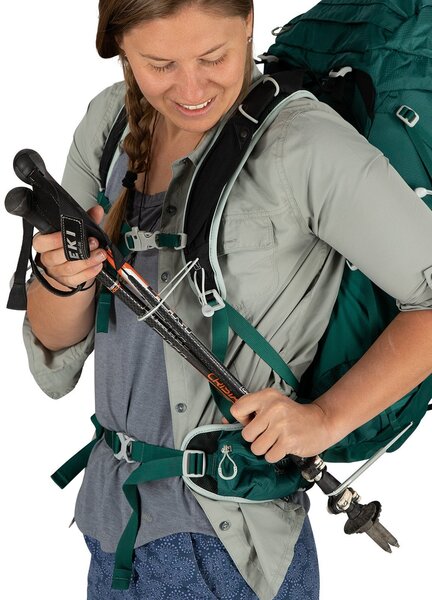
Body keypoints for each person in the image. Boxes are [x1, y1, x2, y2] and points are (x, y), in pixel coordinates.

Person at [22, 0, 432, 599]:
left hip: (231, 548)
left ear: (247, 25)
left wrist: (324, 419)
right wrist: (64, 279)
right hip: (112, 528)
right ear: (120, 49)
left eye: (213, 57)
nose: (191, 90)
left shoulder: (303, 142)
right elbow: (55, 346)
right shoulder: (109, 125)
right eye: (160, 65)